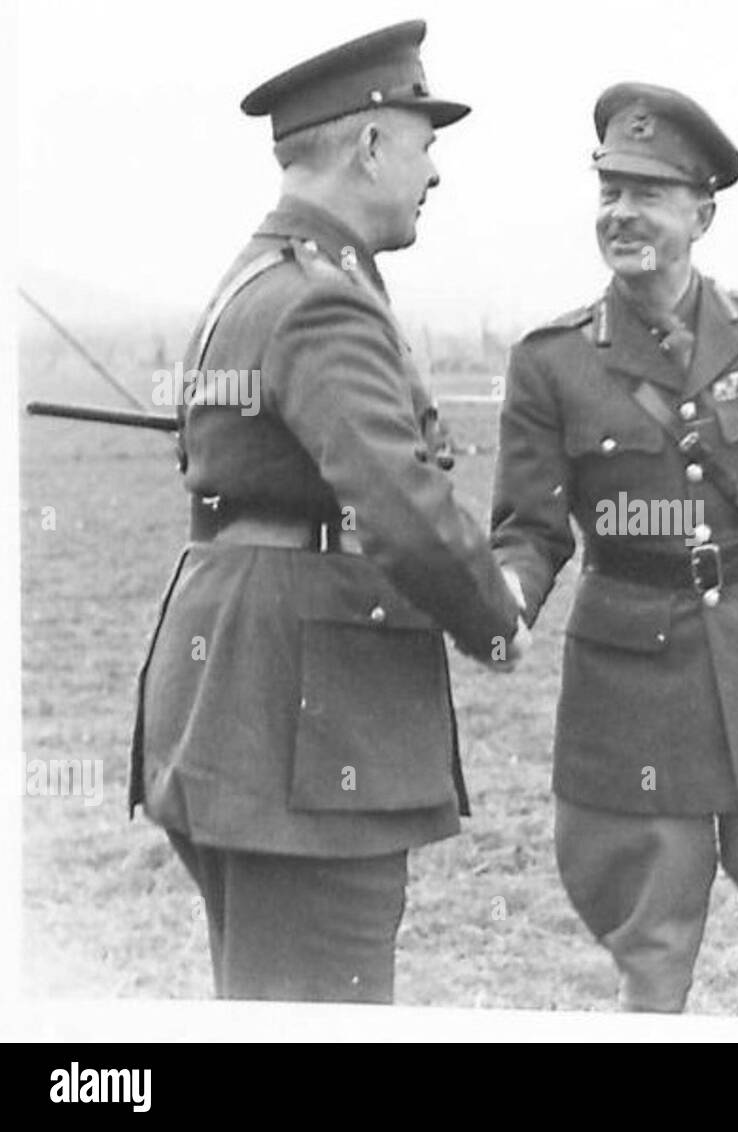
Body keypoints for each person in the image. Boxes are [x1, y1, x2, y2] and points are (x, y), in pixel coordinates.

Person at [128, 20, 527, 1002]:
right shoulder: (321, 300)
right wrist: (499, 615)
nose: (435, 170)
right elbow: (401, 508)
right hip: (302, 736)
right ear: (371, 143)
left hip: (232, 699)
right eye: (425, 141)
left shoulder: (253, 280)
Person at [490, 82, 738, 1017]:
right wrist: (505, 596)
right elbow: (530, 528)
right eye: (609, 194)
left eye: (648, 194)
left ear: (701, 213)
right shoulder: (550, 361)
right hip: (635, 686)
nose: (621, 215)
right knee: (652, 955)